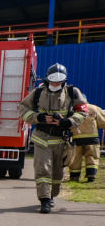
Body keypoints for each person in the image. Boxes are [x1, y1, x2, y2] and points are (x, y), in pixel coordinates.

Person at [18, 63, 89, 213]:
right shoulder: (38, 92)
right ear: (46, 80)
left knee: (57, 173)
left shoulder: (72, 92)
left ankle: (51, 197)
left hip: (61, 140)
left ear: (63, 81)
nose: (55, 84)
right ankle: (44, 199)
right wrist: (39, 117)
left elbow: (82, 111)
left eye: (58, 82)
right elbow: (24, 108)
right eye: (52, 82)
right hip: (41, 139)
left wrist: (67, 122)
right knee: (43, 169)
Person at [69, 103, 105, 182]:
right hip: (92, 138)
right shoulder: (93, 108)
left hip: (76, 138)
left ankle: (74, 177)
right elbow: (103, 122)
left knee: (75, 159)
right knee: (92, 156)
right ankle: (91, 176)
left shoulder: (71, 108)